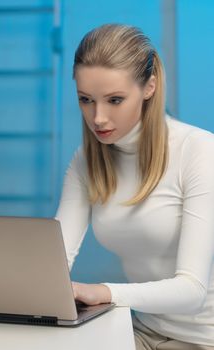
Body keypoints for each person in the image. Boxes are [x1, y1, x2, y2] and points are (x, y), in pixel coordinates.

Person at [55, 23, 214, 349]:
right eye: (86, 100)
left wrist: (105, 292)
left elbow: (192, 291)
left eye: (114, 100)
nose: (98, 118)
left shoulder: (199, 152)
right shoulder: (86, 162)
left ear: (149, 87)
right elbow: (54, 262)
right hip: (143, 332)